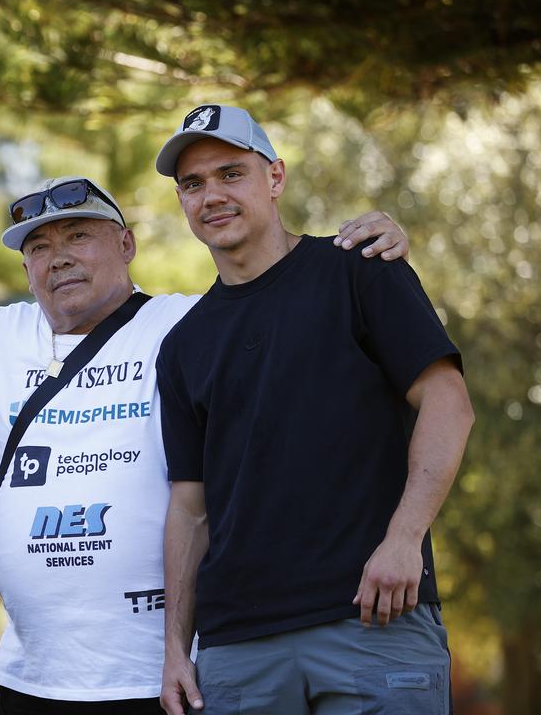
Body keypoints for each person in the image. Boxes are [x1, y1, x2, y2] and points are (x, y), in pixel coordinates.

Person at [0, 175, 409, 714]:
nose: (58, 258)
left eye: (79, 236)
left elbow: (295, 305)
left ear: (126, 244)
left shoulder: (186, 322)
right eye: (39, 248)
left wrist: (369, 247)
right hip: (31, 678)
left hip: (167, 677)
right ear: (26, 270)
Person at [153, 104, 474, 715]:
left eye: (230, 173)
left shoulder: (361, 270)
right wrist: (175, 647)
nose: (211, 195)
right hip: (237, 650)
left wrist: (405, 539)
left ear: (275, 178)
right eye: (192, 185)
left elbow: (448, 402)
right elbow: (190, 509)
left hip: (372, 622)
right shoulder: (184, 344)